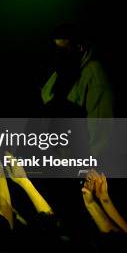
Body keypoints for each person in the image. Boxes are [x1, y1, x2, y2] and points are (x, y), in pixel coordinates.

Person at [40, 23, 114, 157]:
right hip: (58, 157)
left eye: (63, 49)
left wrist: (85, 165)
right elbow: (46, 99)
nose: (58, 54)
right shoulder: (63, 70)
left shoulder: (93, 74)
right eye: (55, 48)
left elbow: (101, 127)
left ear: (79, 47)